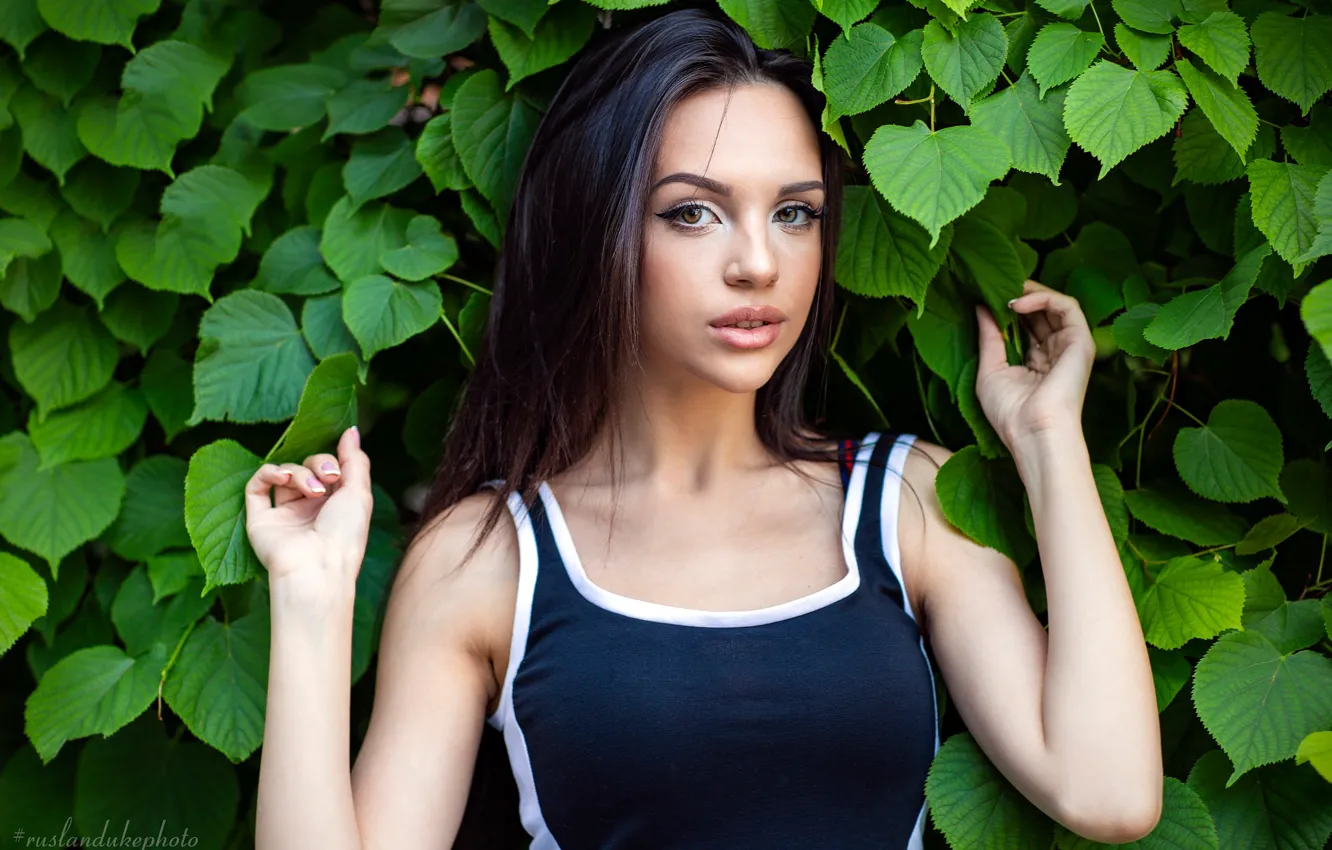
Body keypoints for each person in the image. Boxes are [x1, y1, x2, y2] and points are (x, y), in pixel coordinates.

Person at [242, 7, 1163, 849]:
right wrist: (312, 602)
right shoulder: (488, 559)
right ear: (596, 226)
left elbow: (1110, 793)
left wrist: (1048, 443)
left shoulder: (906, 501)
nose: (759, 263)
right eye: (694, 212)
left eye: (795, 213)